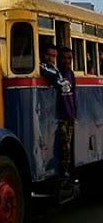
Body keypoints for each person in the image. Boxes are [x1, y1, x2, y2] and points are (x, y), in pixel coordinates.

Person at [40, 44, 78, 198]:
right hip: (60, 116)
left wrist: (74, 113)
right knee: (64, 149)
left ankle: (67, 178)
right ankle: (64, 179)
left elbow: (73, 94)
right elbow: (54, 79)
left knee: (68, 148)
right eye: (63, 58)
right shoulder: (51, 70)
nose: (66, 61)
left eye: (69, 58)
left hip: (69, 115)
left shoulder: (69, 74)